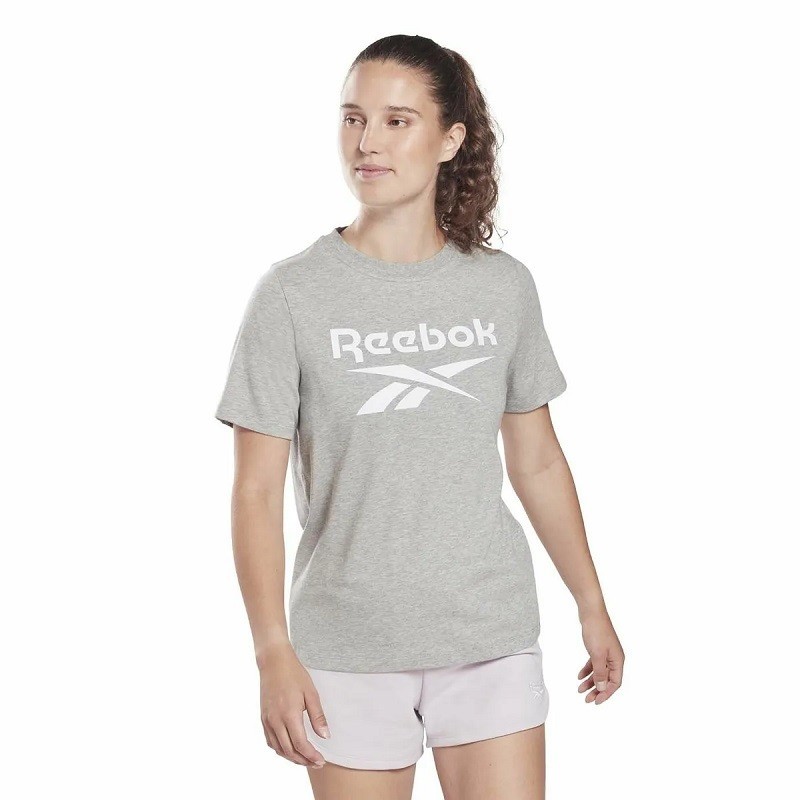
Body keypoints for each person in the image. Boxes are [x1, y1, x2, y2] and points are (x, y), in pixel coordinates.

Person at [214, 34, 624, 800]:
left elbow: (537, 460)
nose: (367, 142)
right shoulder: (292, 295)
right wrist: (271, 649)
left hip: (489, 635)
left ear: (450, 139)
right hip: (348, 646)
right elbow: (254, 491)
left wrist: (591, 605)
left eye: (396, 121)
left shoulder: (502, 288)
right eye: (353, 118)